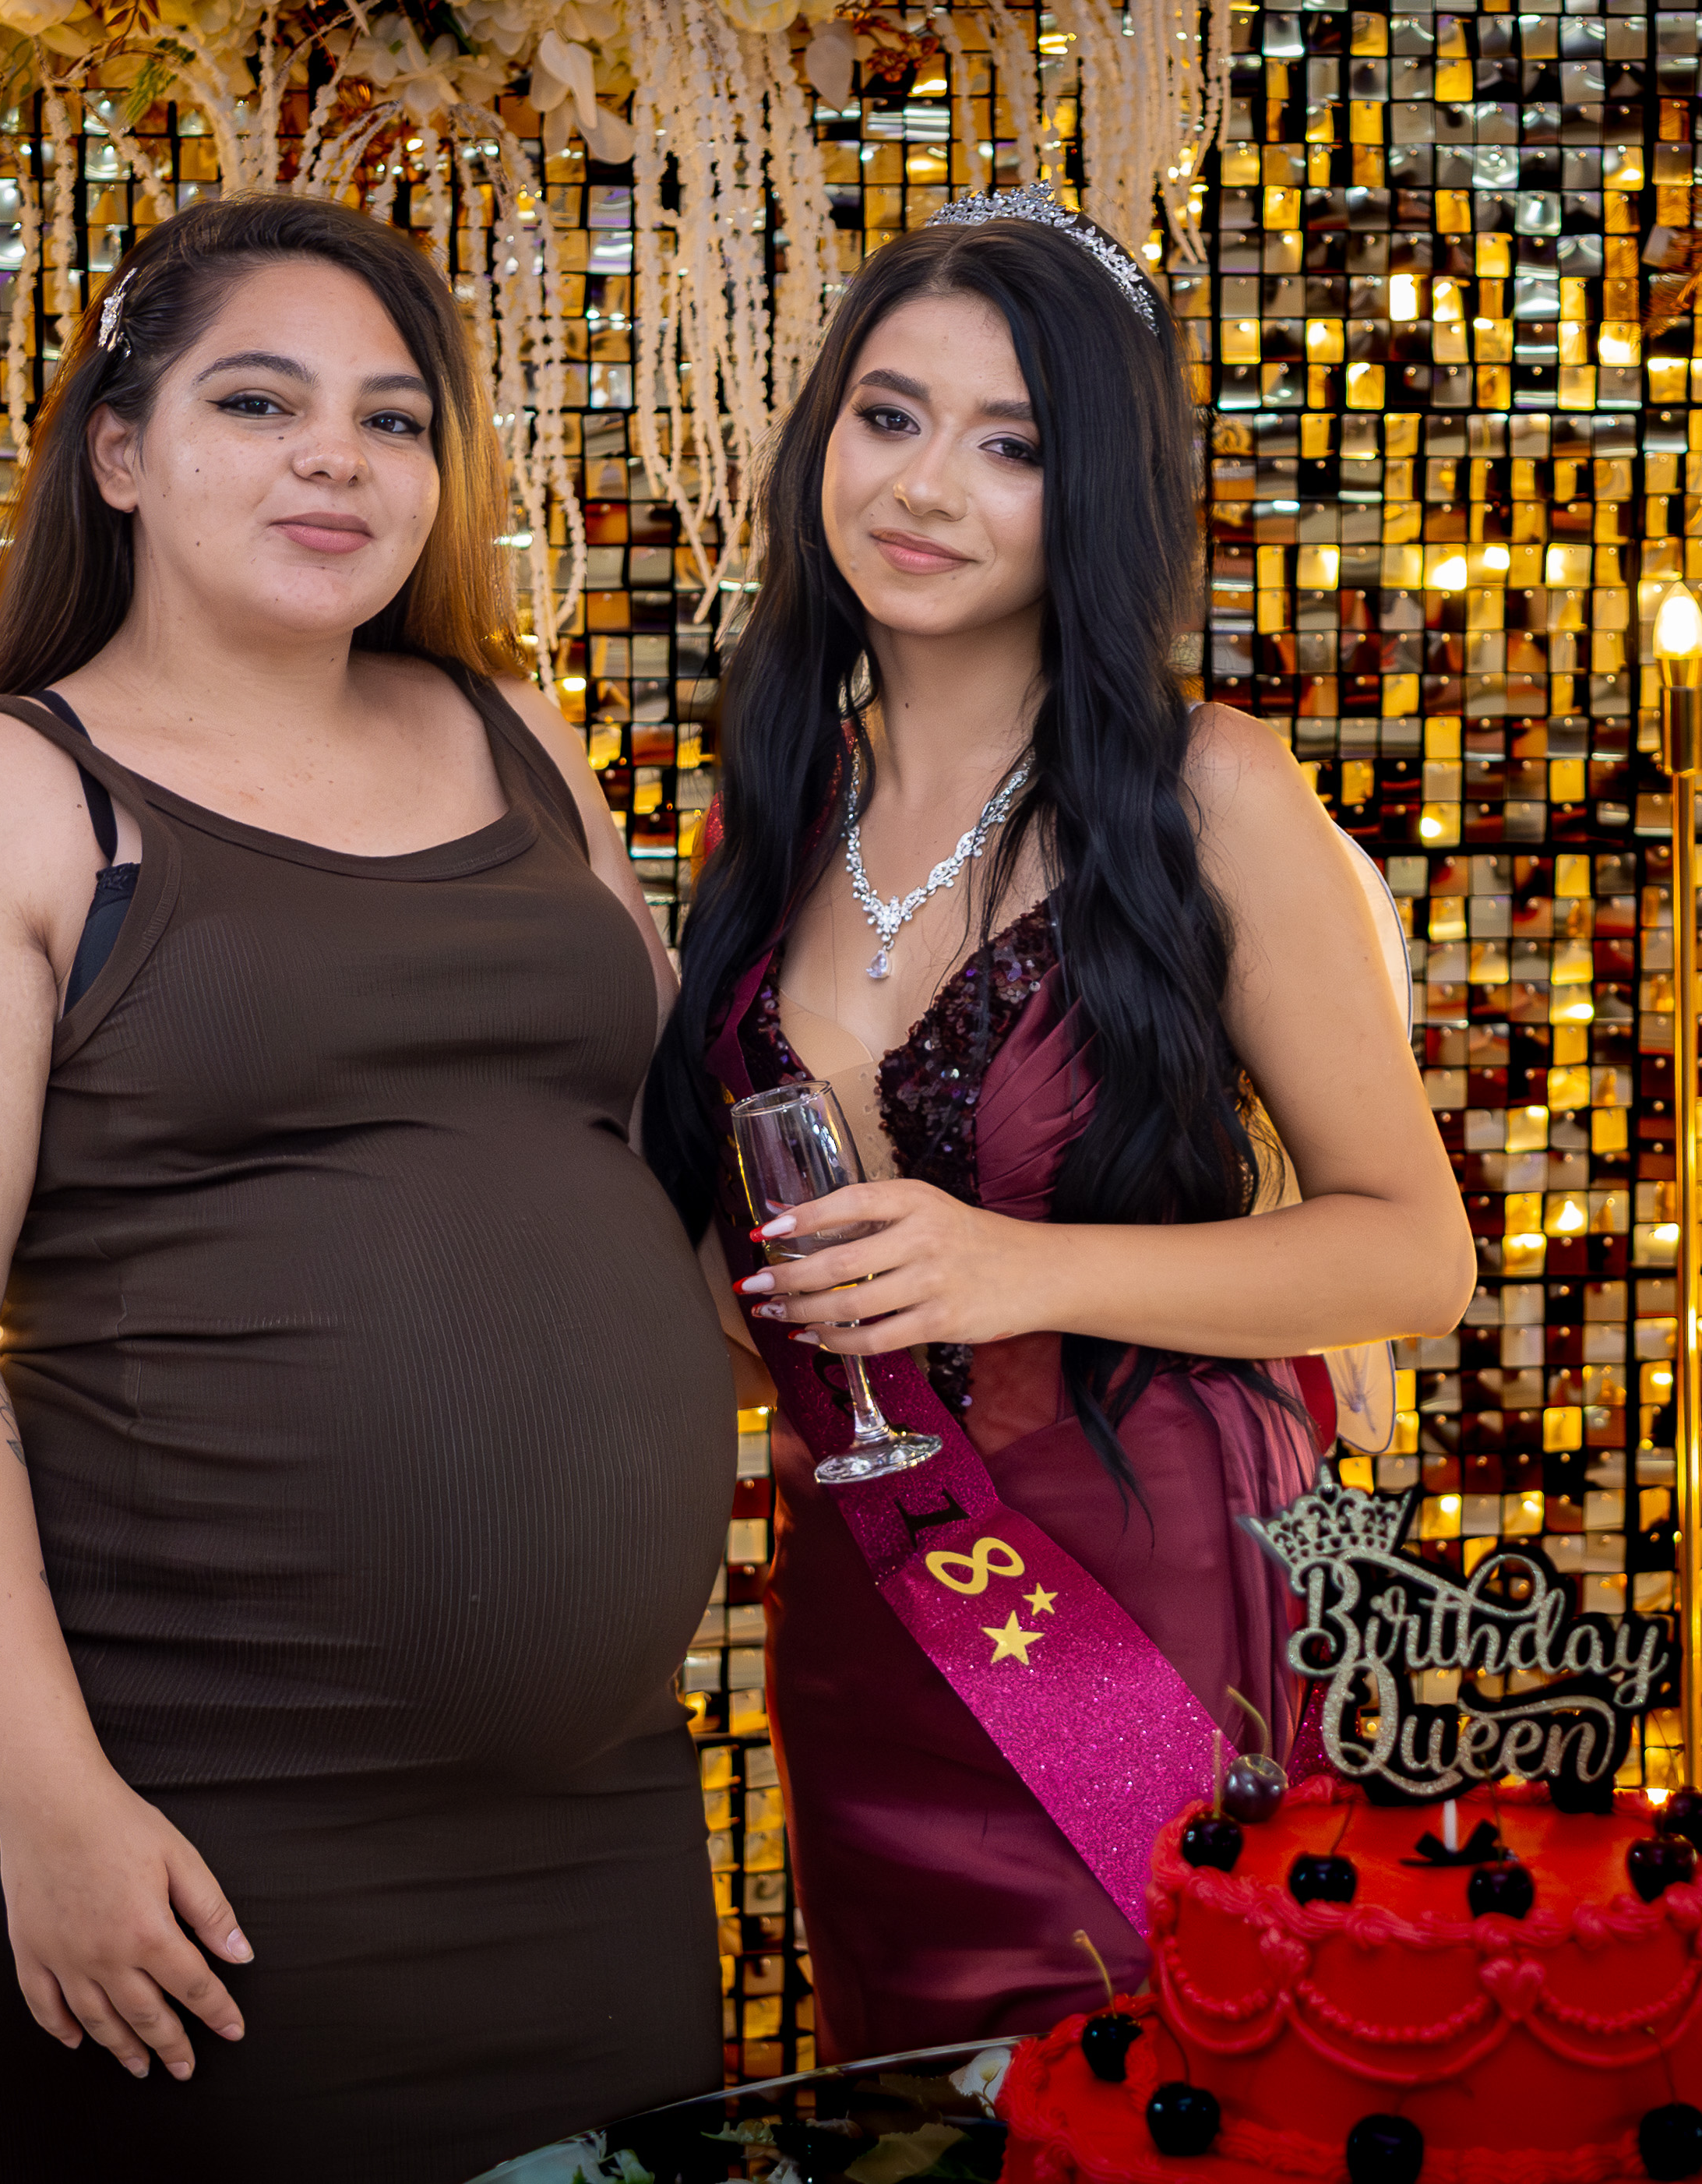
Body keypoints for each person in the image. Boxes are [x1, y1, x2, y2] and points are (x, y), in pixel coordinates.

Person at [0, 193, 727, 2179]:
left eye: (393, 419)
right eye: (258, 401)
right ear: (118, 453)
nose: (338, 457)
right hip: (188, 1814)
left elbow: (659, 1154)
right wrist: (50, 1806)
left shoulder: (515, 739)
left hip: (590, 1819)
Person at [638, 188, 1475, 2057]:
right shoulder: (769, 817)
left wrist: (1015, 1269)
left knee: (1171, 2101)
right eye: (889, 415)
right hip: (865, 1624)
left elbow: (1413, 1252)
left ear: (1091, 489)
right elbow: (742, 1302)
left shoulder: (1203, 793)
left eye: (1008, 446)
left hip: (1146, 1613)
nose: (925, 486)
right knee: (915, 2119)